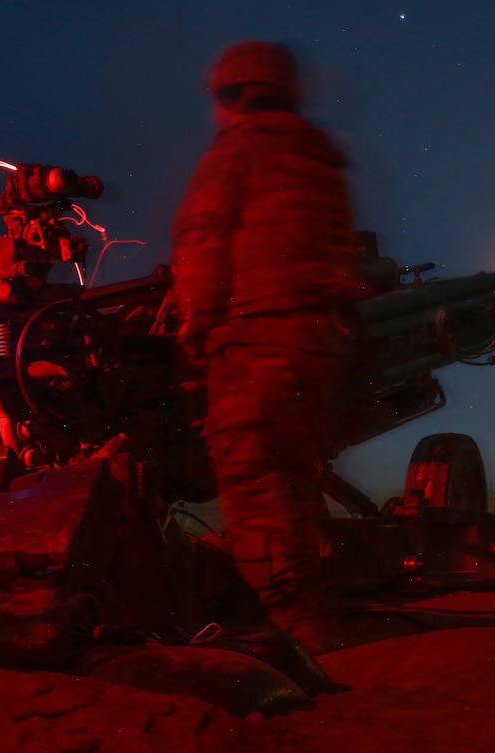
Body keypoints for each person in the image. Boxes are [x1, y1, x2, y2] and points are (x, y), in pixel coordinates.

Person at [169, 41, 368, 635]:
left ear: (234, 95)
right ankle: (316, 609)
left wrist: (195, 330)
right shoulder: (318, 165)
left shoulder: (238, 154)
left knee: (252, 478)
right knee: (296, 478)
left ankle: (295, 628)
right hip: (314, 345)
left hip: (254, 338)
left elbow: (202, 245)